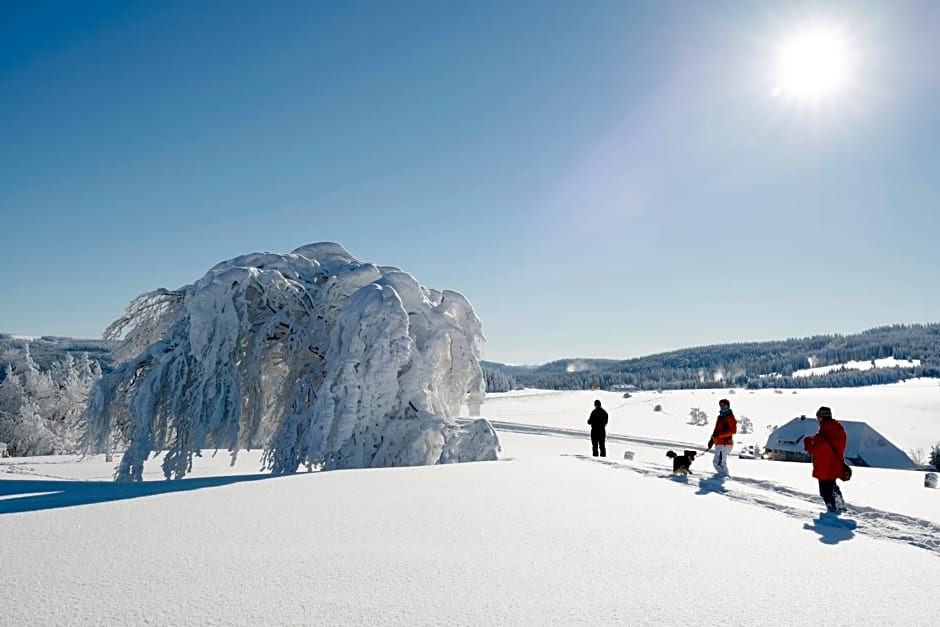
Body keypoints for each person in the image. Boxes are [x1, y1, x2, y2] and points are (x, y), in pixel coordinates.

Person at [803, 406, 847, 513]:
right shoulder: (839, 430)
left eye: (818, 417)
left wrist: (807, 442)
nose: (817, 420)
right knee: (832, 485)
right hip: (836, 464)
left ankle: (831, 509)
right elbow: (829, 445)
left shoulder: (823, 434)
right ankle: (839, 502)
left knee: (824, 491)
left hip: (824, 466)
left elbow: (813, 450)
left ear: (822, 418)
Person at [706, 398, 737, 476]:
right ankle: (723, 477)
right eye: (720, 405)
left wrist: (719, 435)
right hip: (719, 443)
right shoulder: (720, 417)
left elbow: (733, 431)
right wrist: (712, 440)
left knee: (718, 462)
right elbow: (716, 430)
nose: (722, 406)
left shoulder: (730, 417)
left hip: (725, 443)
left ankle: (724, 477)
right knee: (718, 462)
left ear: (728, 406)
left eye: (724, 404)